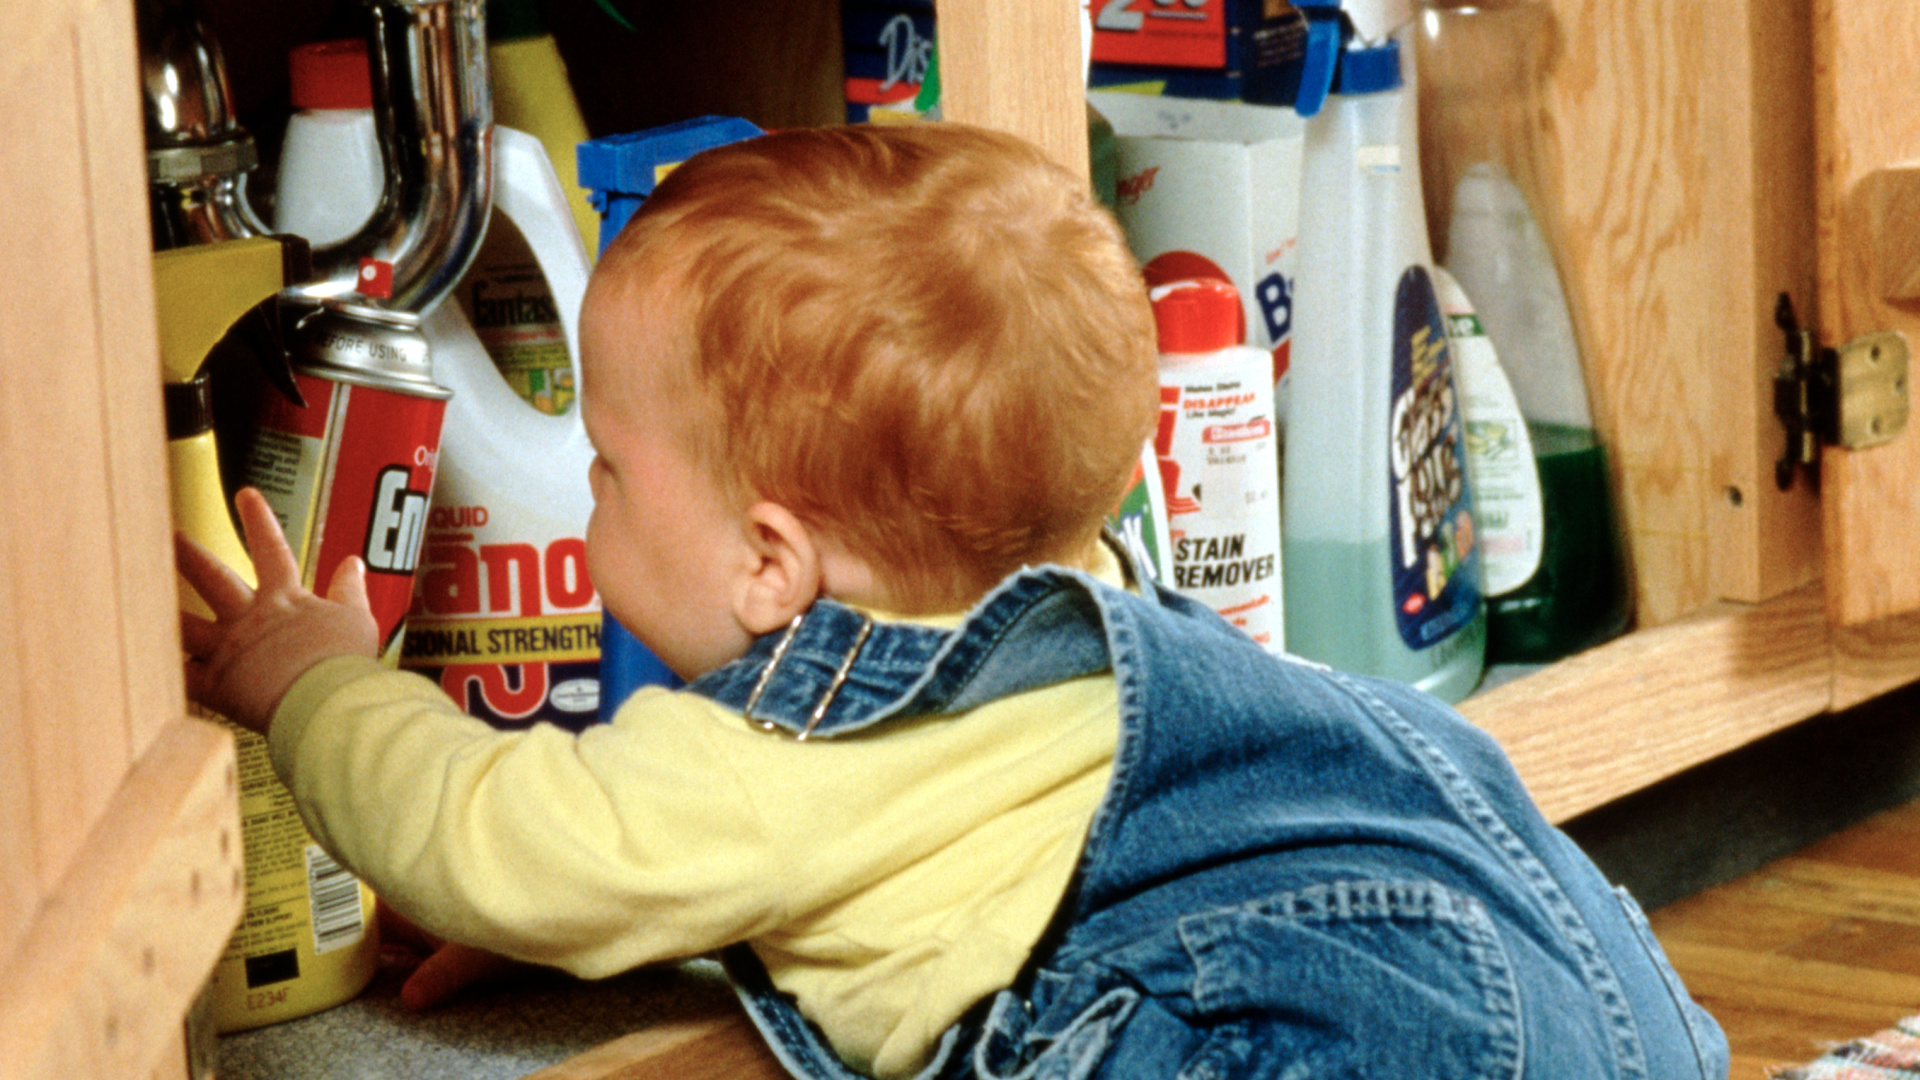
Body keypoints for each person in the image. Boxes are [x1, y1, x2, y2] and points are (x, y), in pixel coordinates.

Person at [176, 122, 1727, 1080]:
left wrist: (309, 677)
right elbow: (877, 868)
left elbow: (486, 842)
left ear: (769, 561)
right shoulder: (1080, 610)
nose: (587, 493)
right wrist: (620, 914)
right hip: (1589, 993)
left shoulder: (776, 761)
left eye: (605, 467)